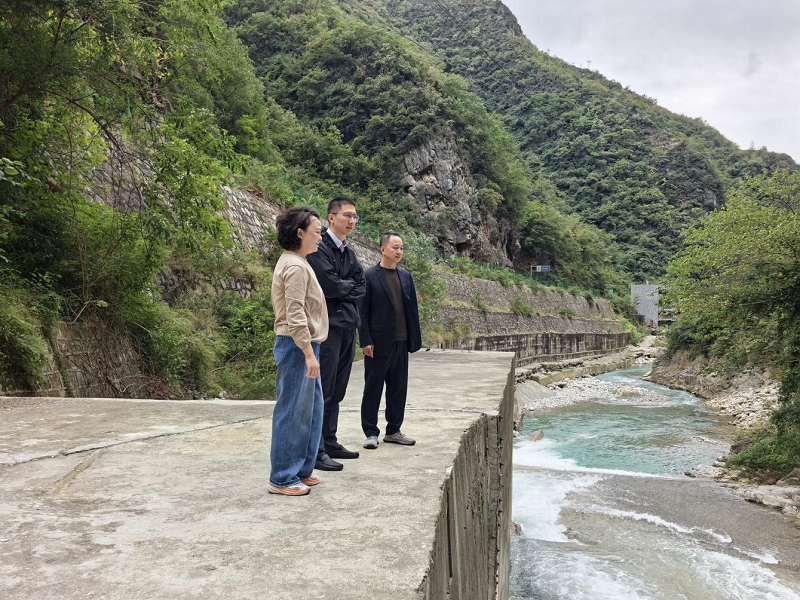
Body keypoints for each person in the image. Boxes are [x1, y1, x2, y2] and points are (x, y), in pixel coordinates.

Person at [268, 206, 328, 496]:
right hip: (296, 346)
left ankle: (301, 470)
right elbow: (294, 314)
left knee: (311, 411)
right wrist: (308, 352)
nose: (320, 237)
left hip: (305, 344)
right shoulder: (294, 266)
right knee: (292, 411)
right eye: (317, 232)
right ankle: (281, 477)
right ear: (300, 233)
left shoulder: (300, 262)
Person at [306, 197, 365, 471]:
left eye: (354, 216)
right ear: (331, 217)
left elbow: (362, 286)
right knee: (324, 390)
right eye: (347, 215)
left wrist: (344, 287)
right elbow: (328, 285)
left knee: (338, 390)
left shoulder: (348, 252)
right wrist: (346, 286)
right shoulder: (320, 247)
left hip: (347, 327)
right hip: (327, 328)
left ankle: (330, 441)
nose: (352, 221)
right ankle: (316, 450)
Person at [358, 232, 422, 449]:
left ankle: (394, 430)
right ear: (383, 249)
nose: (399, 251)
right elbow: (362, 311)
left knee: (398, 389)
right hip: (377, 343)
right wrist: (365, 340)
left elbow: (412, 309)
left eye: (401, 248)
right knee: (373, 388)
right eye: (395, 247)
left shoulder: (406, 276)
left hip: (401, 341)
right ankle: (370, 432)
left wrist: (413, 338)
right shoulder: (369, 275)